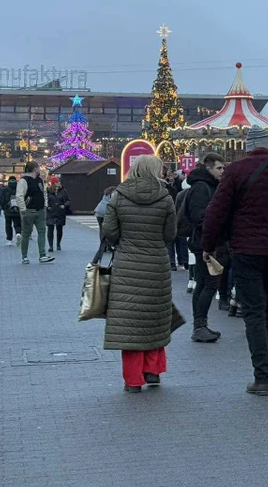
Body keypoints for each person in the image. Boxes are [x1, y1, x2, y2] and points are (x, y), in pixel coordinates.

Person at [200, 127, 268, 395]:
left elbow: (216, 211)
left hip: (245, 249)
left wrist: (208, 246)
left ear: (248, 146)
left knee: (253, 311)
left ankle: (261, 376)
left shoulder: (236, 171)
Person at [102, 155, 178, 392]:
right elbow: (170, 235)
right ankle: (153, 372)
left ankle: (133, 380)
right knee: (154, 320)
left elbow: (110, 231)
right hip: (156, 266)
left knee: (130, 322)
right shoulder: (165, 198)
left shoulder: (119, 196)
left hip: (127, 266)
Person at [184, 153, 225, 343]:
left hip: (203, 241)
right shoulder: (202, 188)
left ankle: (200, 325)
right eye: (219, 168)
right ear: (208, 169)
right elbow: (201, 217)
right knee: (209, 284)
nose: (222, 171)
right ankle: (200, 326)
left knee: (203, 283)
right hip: (204, 243)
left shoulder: (206, 186)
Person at [16, 161, 54, 264]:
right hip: (29, 210)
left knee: (42, 232)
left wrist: (45, 204)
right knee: (26, 234)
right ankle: (24, 256)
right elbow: (19, 196)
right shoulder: (24, 181)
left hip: (40, 210)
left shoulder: (40, 180)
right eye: (38, 168)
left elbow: (44, 193)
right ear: (34, 169)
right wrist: (23, 209)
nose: (40, 170)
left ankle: (42, 255)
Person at [45, 176, 71, 252]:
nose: (58, 183)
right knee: (50, 229)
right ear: (53, 183)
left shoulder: (63, 191)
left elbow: (68, 200)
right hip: (51, 212)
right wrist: (47, 207)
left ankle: (58, 244)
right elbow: (45, 200)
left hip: (60, 212)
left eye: (58, 182)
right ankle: (50, 246)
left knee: (59, 229)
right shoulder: (48, 191)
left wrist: (64, 205)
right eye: (57, 182)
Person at [0, 176, 21, 245]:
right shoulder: (19, 189)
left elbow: (1, 200)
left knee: (8, 225)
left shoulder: (5, 189)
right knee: (17, 223)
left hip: (8, 210)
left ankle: (9, 239)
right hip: (17, 210)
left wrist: (3, 208)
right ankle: (18, 233)